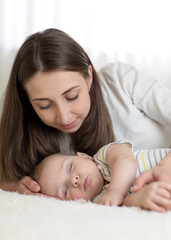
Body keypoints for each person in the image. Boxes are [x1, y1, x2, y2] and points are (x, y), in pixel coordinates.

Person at [0, 28, 171, 195]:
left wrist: (164, 168)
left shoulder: (117, 81)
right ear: (27, 100)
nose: (64, 117)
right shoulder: (30, 136)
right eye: (44, 105)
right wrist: (14, 186)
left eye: (72, 96)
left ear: (89, 76)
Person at [31, 140, 171, 212]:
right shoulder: (98, 201)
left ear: (85, 157)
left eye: (70, 168)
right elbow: (123, 205)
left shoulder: (104, 155)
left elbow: (125, 160)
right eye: (65, 191)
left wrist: (115, 191)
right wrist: (140, 198)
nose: (73, 180)